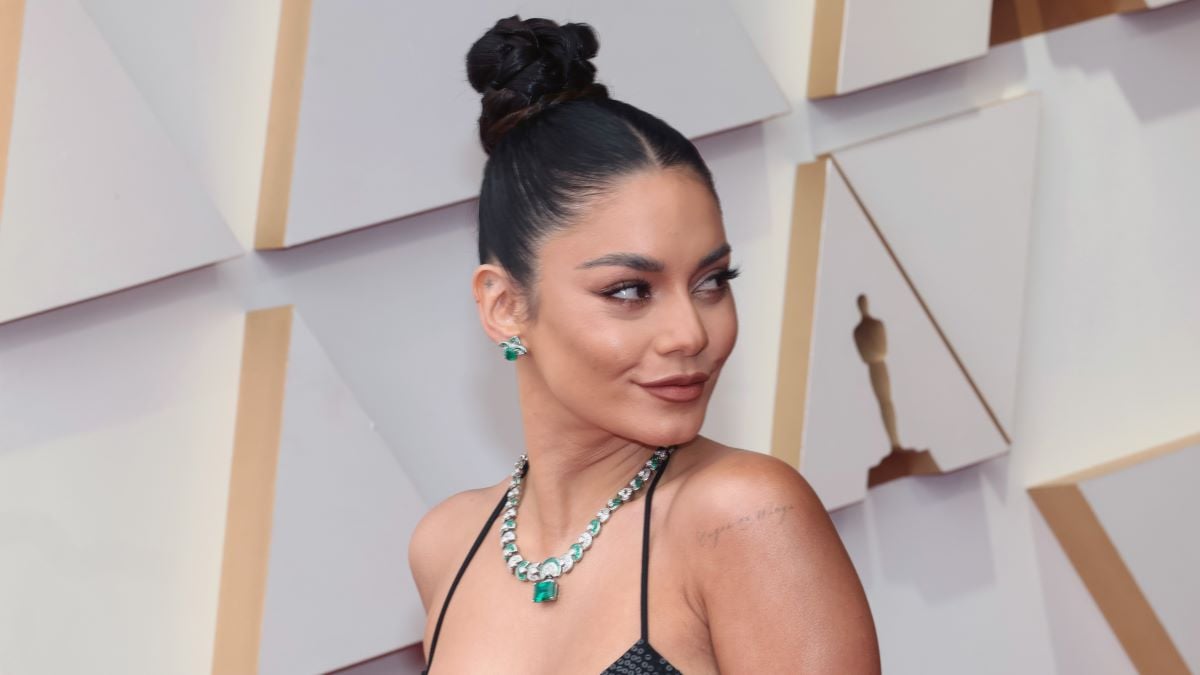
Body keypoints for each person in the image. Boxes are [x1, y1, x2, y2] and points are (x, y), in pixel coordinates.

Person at [408, 15, 879, 674]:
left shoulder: (745, 514)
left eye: (713, 280)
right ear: (505, 304)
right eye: (630, 290)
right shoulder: (447, 545)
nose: (691, 332)